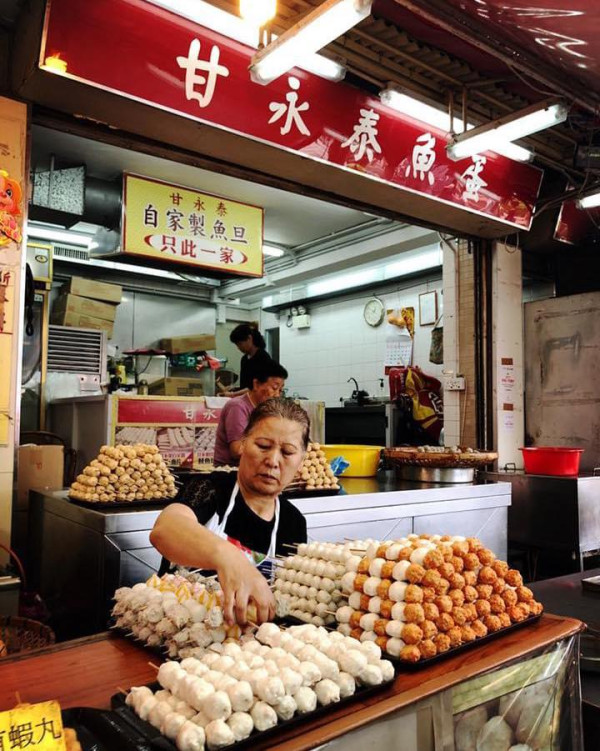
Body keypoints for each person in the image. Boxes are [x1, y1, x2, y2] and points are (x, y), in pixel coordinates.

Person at [150, 398, 309, 625]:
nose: (273, 461)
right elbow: (165, 529)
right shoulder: (212, 489)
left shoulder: (293, 523)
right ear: (243, 443)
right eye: (263, 446)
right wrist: (228, 557)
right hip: (178, 632)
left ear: (301, 460)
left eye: (287, 452)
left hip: (244, 649)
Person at [214, 361, 288, 466]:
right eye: (274, 388)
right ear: (256, 384)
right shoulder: (237, 407)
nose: (277, 395)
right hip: (229, 471)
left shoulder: (266, 409)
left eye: (280, 390)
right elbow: (237, 450)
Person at [220, 324, 273, 397]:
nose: (238, 348)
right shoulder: (244, 359)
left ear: (249, 338)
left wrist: (233, 394)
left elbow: (257, 387)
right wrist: (233, 389)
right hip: (246, 399)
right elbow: (245, 385)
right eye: (237, 345)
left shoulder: (263, 357)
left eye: (240, 344)